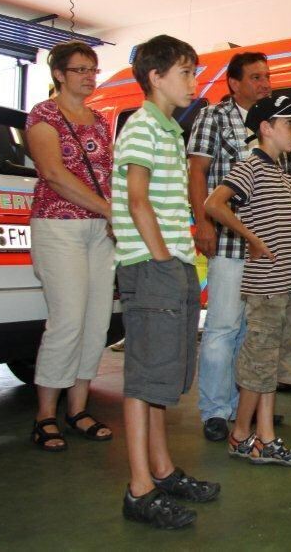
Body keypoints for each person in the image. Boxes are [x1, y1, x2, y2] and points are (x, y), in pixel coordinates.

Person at [113, 35, 219, 530]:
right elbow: (137, 199)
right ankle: (139, 488)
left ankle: (161, 468)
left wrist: (177, 261)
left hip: (171, 263)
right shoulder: (141, 127)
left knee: (161, 377)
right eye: (185, 73)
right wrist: (161, 258)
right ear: (155, 77)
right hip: (152, 263)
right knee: (144, 380)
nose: (193, 83)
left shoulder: (168, 129)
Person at [204, 95, 291, 468]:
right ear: (266, 128)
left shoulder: (284, 173)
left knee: (273, 361)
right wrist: (250, 238)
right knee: (258, 360)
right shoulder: (249, 166)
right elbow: (214, 203)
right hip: (267, 282)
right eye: (290, 124)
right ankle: (240, 435)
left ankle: (265, 435)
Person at [188, 52, 285, 442]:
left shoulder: (275, 122)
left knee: (255, 330)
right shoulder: (213, 116)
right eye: (256, 77)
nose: (265, 83)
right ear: (234, 82)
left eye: (267, 76)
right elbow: (197, 171)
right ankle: (215, 410)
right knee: (223, 327)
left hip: (264, 247)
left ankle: (248, 405)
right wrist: (204, 222)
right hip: (228, 242)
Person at [26, 41, 114, 452]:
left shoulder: (99, 120)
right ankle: (45, 415)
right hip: (59, 226)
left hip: (99, 231)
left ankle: (78, 409)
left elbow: (107, 176)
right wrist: (110, 210)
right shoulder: (44, 115)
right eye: (80, 69)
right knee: (67, 321)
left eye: (92, 70)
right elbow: (53, 174)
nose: (88, 77)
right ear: (59, 74)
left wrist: (110, 217)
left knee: (96, 322)